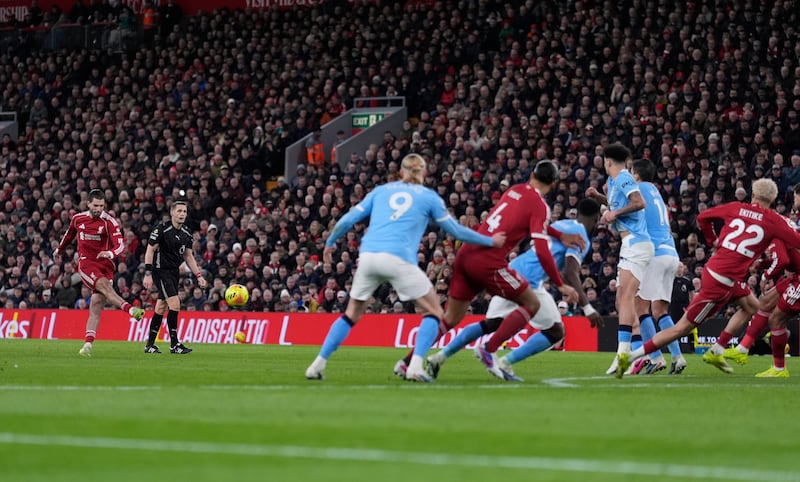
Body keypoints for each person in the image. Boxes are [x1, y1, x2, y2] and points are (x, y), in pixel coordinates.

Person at [304, 153, 506, 381]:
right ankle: (415, 366)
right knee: (435, 312)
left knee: (351, 313)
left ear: (401, 172)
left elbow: (348, 219)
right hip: (398, 258)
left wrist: (330, 243)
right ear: (424, 173)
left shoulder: (381, 191)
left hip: (368, 256)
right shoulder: (429, 198)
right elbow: (456, 232)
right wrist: (491, 241)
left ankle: (317, 365)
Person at [404, 160, 581, 382]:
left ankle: (410, 361)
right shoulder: (540, 206)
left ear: (532, 174)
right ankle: (490, 349)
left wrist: (559, 235)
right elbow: (542, 249)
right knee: (531, 304)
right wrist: (559, 282)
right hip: (488, 262)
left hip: (466, 255)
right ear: (554, 183)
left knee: (452, 317)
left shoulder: (514, 190)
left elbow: (530, 222)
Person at [617, 179, 800, 377]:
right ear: (773, 199)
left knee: (754, 307)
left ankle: (719, 350)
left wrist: (713, 240)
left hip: (720, 273)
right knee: (682, 328)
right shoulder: (774, 221)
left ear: (753, 195)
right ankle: (633, 355)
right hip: (720, 281)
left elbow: (703, 217)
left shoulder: (736, 207)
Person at [425, 198, 602, 381]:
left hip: (513, 269)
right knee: (555, 332)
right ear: (596, 219)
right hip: (530, 280)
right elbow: (571, 272)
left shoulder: (562, 224)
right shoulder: (581, 237)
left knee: (492, 323)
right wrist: (587, 307)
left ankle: (439, 357)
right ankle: (501, 359)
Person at [585, 144, 654, 374]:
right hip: (630, 244)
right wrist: (599, 198)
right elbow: (619, 204)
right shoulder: (615, 182)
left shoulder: (624, 178)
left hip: (636, 242)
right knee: (621, 301)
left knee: (626, 298)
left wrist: (614, 214)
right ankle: (633, 354)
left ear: (607, 161)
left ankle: (623, 354)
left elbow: (639, 202)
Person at [53, 189, 145, 357]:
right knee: (103, 285)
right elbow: (69, 235)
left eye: (101, 206)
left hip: (106, 265)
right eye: (95, 205)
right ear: (88, 203)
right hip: (87, 263)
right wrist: (60, 249)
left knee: (96, 304)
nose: (98, 209)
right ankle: (130, 310)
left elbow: (120, 245)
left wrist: (110, 254)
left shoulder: (109, 221)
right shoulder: (78, 219)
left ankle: (87, 345)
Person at [722, 184, 800, 365]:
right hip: (794, 274)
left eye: (796, 196)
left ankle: (778, 367)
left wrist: (765, 277)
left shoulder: (773, 225)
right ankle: (743, 348)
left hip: (796, 275)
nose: (794, 201)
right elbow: (788, 254)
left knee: (776, 319)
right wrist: (763, 264)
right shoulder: (782, 221)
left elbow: (782, 260)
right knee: (766, 302)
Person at [626, 159, 687, 375]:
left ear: (636, 175)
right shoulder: (656, 192)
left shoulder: (638, 190)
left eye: (630, 172)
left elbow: (629, 208)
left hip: (654, 254)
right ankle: (678, 357)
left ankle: (655, 357)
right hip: (670, 253)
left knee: (640, 308)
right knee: (660, 310)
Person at [142, 192, 207, 354]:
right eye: (179, 211)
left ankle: (150, 345)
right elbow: (150, 250)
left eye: (184, 212)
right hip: (160, 271)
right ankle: (175, 344)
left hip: (173, 272)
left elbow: (188, 256)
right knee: (175, 304)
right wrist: (148, 273)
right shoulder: (162, 229)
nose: (182, 214)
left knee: (161, 306)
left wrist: (199, 275)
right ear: (172, 212)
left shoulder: (186, 233)